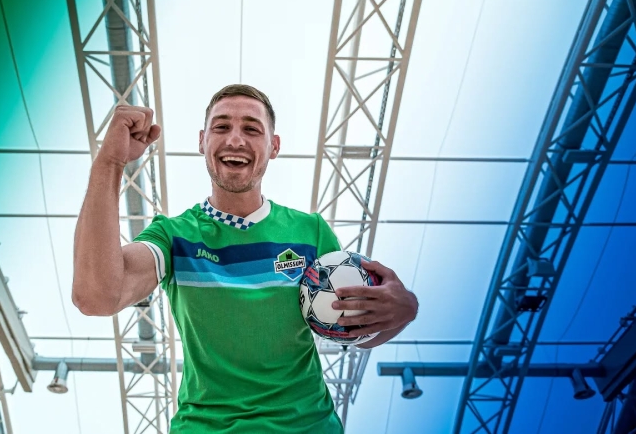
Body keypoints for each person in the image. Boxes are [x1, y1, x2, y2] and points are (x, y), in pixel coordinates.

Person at [72, 84, 419, 433]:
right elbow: (96, 297)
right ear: (202, 141)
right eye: (221, 127)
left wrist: (403, 313)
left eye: (252, 129)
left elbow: (352, 330)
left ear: (274, 147)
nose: (235, 140)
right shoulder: (173, 236)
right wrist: (110, 162)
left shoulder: (311, 231)